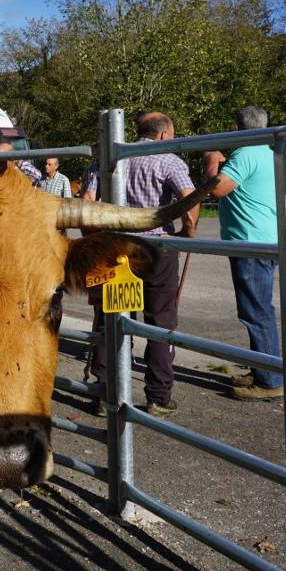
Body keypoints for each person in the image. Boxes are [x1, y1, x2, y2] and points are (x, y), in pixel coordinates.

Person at [87, 112, 197, 418]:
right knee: (160, 320)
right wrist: (188, 234)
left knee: (113, 316)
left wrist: (97, 241)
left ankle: (105, 391)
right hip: (157, 248)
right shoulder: (167, 159)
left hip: (118, 248)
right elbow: (189, 198)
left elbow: (87, 199)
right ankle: (158, 396)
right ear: (163, 135)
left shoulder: (107, 158)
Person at [202, 105, 282, 402]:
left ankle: (271, 378)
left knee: (255, 311)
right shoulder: (266, 152)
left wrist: (211, 161)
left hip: (249, 242)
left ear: (236, 129)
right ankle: (263, 369)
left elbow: (217, 189)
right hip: (262, 239)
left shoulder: (245, 153)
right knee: (259, 308)